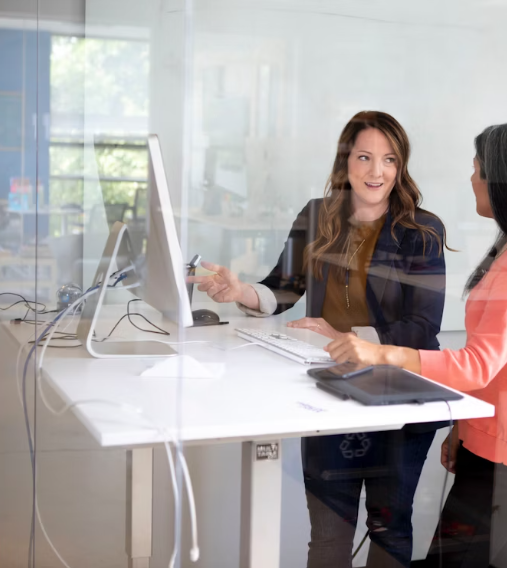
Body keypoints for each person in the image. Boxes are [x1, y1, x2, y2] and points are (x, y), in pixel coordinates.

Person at [324, 121, 507, 568]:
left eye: (478, 170)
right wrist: (462, 428)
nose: (472, 179)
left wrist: (378, 352)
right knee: (492, 558)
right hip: (492, 442)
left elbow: (478, 364)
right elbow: (499, 363)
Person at [189, 110, 450, 567]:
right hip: (333, 392)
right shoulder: (317, 215)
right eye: (365, 157)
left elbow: (422, 326)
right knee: (329, 535)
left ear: (401, 165)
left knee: (390, 529)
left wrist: (344, 335)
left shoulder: (421, 231)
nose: (376, 171)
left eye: (389, 160)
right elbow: (283, 288)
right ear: (345, 161)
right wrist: (240, 291)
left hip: (400, 393)